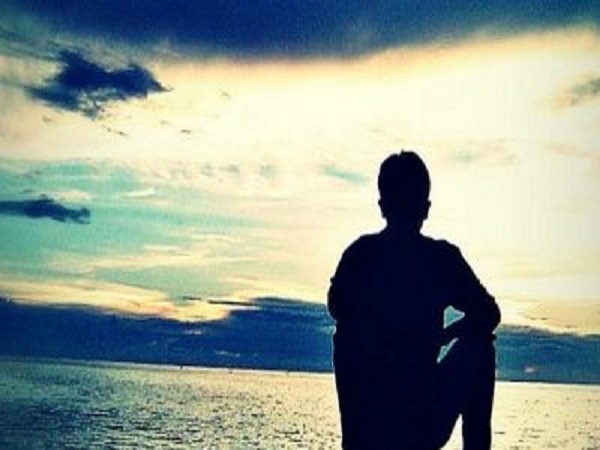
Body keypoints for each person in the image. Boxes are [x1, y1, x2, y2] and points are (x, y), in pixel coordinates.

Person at [328, 151, 501, 450]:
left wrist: (441, 335)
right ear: (426, 208)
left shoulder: (361, 255)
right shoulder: (439, 260)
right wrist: (439, 335)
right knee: (480, 348)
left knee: (480, 346)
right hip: (402, 420)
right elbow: (488, 314)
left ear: (382, 207)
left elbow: (490, 313)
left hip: (394, 421)